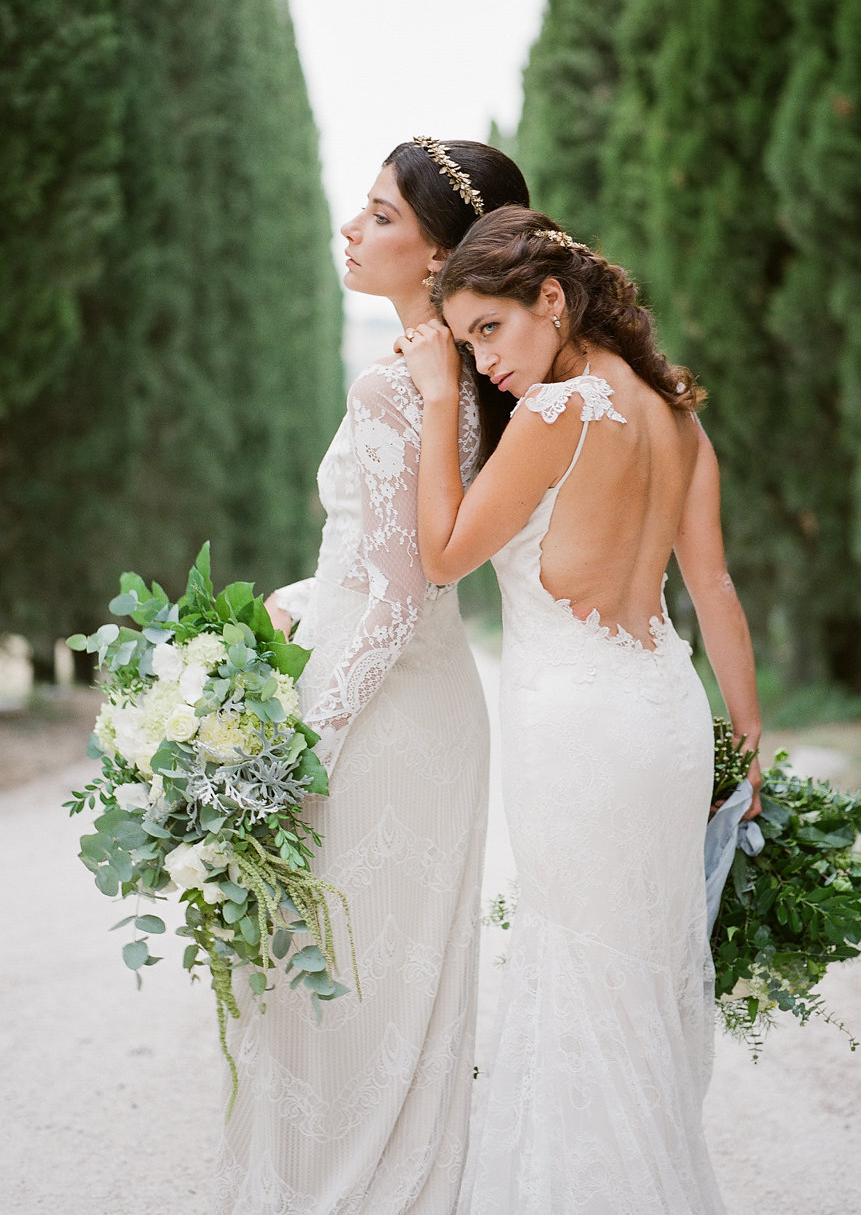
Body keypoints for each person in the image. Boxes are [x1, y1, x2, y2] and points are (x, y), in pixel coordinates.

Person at [398, 206, 761, 1215]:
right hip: (668, 717)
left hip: (580, 732)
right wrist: (748, 744)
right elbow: (716, 589)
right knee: (639, 974)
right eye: (465, 345)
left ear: (551, 301)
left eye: (491, 331)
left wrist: (435, 402)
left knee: (580, 969)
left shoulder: (561, 416)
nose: (482, 363)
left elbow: (442, 556)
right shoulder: (675, 413)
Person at [213, 139, 530, 1215]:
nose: (353, 225)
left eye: (382, 213)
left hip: (380, 713)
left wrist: (304, 742)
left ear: (439, 253)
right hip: (419, 700)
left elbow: (402, 595)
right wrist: (292, 606)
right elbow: (381, 566)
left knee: (339, 978)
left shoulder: (404, 384)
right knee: (379, 981)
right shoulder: (477, 380)